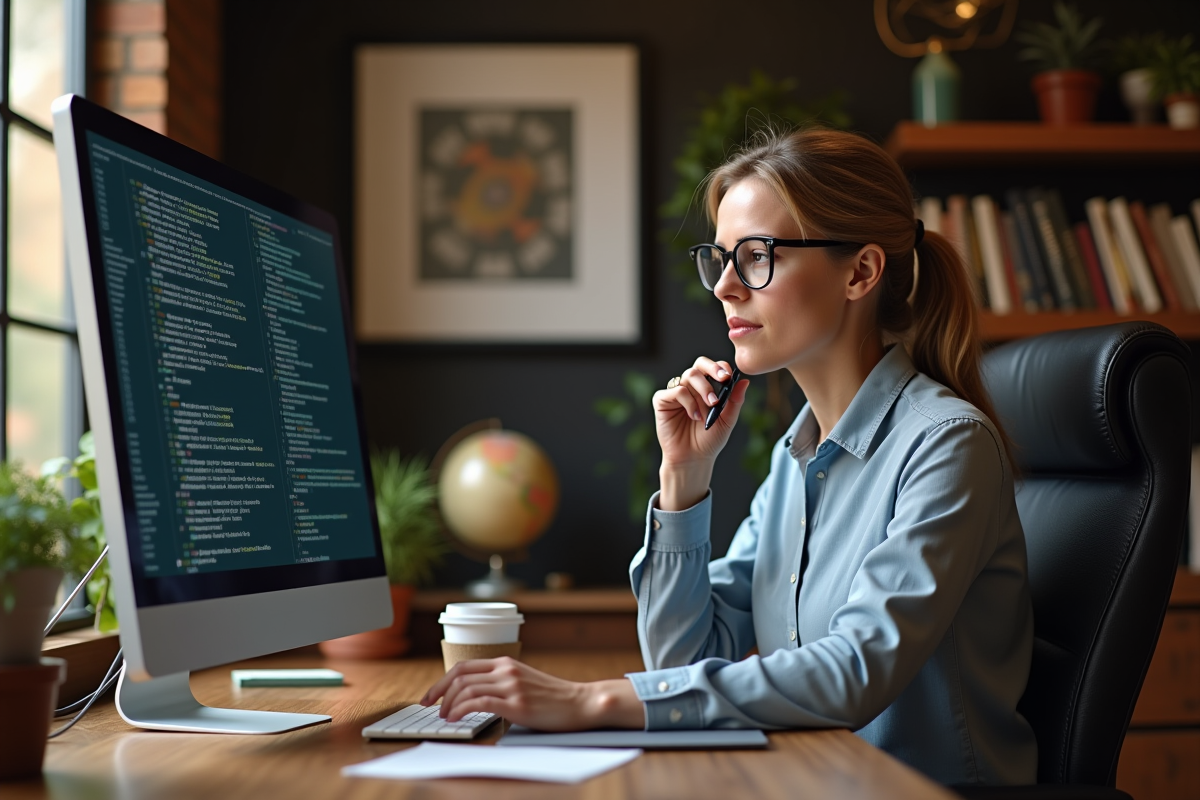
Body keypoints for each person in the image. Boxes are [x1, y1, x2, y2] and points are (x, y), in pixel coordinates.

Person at [420, 127, 1038, 787]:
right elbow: (680, 661)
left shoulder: (946, 444)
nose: (724, 288)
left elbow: (856, 671)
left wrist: (591, 700)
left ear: (860, 272)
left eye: (757, 256)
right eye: (719, 260)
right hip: (817, 781)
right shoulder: (795, 459)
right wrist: (683, 477)